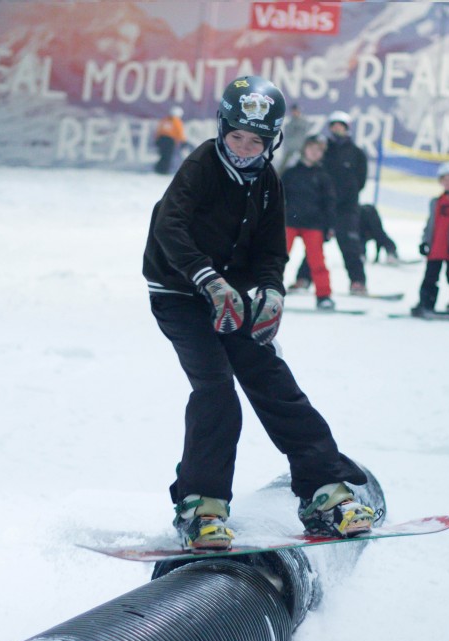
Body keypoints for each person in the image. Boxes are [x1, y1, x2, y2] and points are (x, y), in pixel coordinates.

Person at [142, 75, 377, 551]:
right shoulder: (202, 165)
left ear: (273, 142)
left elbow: (271, 248)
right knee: (216, 387)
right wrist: (207, 279)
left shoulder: (268, 179)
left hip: (231, 292)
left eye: (257, 141)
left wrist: (271, 290)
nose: (245, 149)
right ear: (222, 129)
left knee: (272, 378)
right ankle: (200, 505)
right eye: (236, 137)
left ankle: (323, 491)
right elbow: (170, 228)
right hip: (179, 292)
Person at [281, 134, 336, 309]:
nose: (315, 153)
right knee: (277, 259)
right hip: (289, 222)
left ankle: (323, 295)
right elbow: (279, 197)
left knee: (317, 262)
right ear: (305, 149)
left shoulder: (323, 176)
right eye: (312, 148)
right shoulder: (290, 173)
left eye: (319, 150)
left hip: (314, 224)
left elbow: (329, 203)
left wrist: (329, 226)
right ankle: (268, 290)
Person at [412, 162, 449, 317]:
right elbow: (430, 223)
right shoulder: (436, 201)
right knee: (430, 277)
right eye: (444, 179)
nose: (448, 183)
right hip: (437, 247)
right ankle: (426, 303)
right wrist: (425, 241)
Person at [324, 111, 369, 295]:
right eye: (334, 125)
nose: (337, 129)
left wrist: (347, 195)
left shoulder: (356, 152)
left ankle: (358, 281)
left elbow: (361, 180)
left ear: (346, 128)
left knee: (350, 245)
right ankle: (304, 279)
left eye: (340, 126)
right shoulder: (324, 149)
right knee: (316, 243)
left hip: (347, 208)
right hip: (325, 206)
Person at [274, 101, 311, 172]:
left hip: (302, 149)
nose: (295, 112)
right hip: (290, 150)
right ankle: (276, 180)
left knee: (307, 164)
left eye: (296, 110)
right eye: (294, 111)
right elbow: (286, 139)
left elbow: (308, 135)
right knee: (282, 167)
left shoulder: (305, 123)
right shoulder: (288, 125)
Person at [153, 105, 186, 174]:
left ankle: (159, 169)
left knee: (163, 155)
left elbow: (159, 130)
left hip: (161, 139)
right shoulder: (177, 121)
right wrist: (183, 141)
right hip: (169, 141)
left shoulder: (165, 120)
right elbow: (179, 132)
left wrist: (157, 139)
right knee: (168, 156)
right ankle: (163, 170)